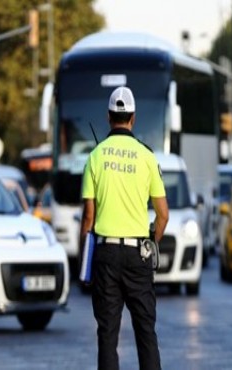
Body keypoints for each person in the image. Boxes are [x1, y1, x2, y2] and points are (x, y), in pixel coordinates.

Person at [79, 86, 169, 370]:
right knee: (145, 332)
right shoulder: (146, 157)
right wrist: (151, 241)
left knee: (107, 334)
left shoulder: (95, 157)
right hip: (137, 255)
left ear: (109, 117)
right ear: (133, 118)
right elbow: (163, 215)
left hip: (105, 256)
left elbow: (88, 219)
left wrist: (85, 259)